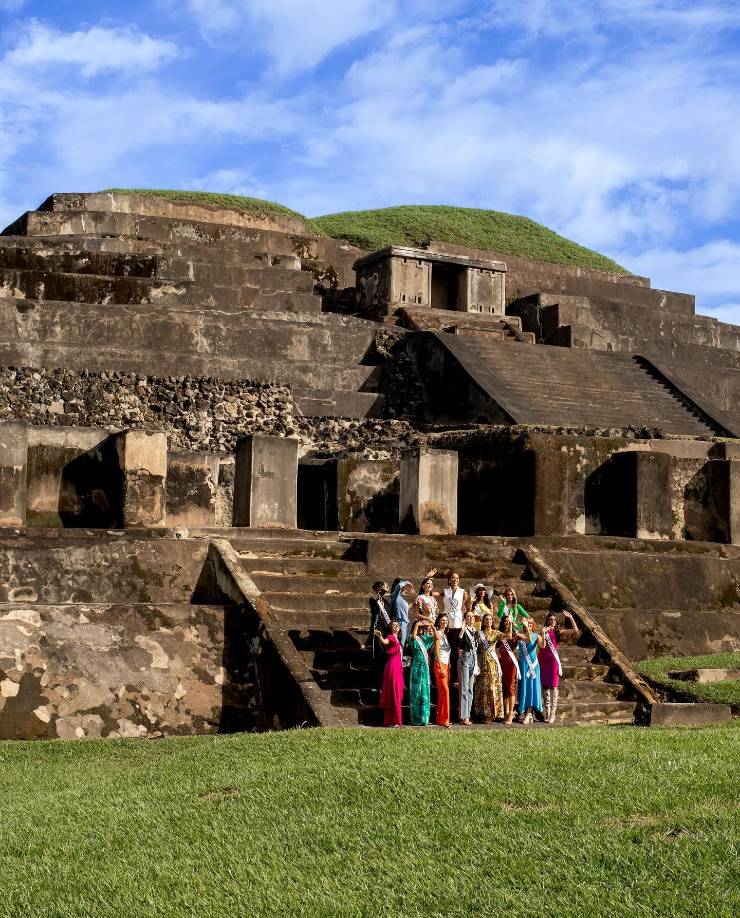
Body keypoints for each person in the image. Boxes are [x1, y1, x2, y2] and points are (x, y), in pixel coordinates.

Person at [540, 609, 580, 724]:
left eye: (554, 619)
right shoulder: (543, 631)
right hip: (543, 661)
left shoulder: (558, 632)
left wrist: (571, 618)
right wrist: (543, 632)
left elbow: (575, 631)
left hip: (553, 663)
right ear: (547, 620)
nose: (552, 621)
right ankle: (547, 712)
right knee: (545, 687)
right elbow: (541, 645)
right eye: (550, 619)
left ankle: (553, 713)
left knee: (554, 687)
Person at [473, 611, 506, 723]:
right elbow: (474, 648)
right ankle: (485, 714)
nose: (488, 621)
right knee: (483, 689)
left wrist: (510, 624)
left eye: (490, 619)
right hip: (482, 663)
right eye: (486, 619)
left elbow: (508, 636)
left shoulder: (496, 633)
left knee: (492, 688)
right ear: (483, 621)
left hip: (492, 663)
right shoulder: (478, 634)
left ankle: (495, 713)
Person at [374, 620, 405, 727]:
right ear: (390, 628)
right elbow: (385, 641)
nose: (396, 626)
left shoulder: (397, 639)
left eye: (397, 625)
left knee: (395, 693)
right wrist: (380, 637)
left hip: (397, 667)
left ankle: (391, 720)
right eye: (394, 625)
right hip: (392, 667)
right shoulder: (391, 637)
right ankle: (395, 720)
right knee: (394, 693)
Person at [517, 618, 543, 725]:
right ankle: (523, 711)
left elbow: (541, 645)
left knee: (532, 688)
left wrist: (543, 633)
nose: (529, 625)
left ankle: (528, 714)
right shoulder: (519, 635)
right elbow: (521, 644)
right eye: (528, 623)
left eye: (531, 623)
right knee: (524, 687)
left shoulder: (537, 636)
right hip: (523, 664)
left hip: (533, 665)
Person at [408, 619, 435, 726]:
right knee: (416, 692)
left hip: (424, 667)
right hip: (416, 666)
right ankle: (416, 718)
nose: (421, 629)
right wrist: (417, 624)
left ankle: (424, 718)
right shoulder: (411, 637)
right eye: (419, 628)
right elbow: (413, 637)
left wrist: (431, 625)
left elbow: (436, 637)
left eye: (422, 628)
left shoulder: (425, 638)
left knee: (425, 691)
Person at [497, 611, 520, 725]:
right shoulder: (499, 634)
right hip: (501, 662)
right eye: (505, 621)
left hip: (511, 663)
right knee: (504, 687)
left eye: (508, 621)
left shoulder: (515, 634)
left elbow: (510, 637)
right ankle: (505, 712)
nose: (506, 623)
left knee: (510, 687)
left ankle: (511, 713)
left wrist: (512, 624)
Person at [367, 580, 391, 690]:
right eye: (379, 588)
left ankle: (384, 681)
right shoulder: (373, 600)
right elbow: (376, 602)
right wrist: (382, 592)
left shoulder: (386, 602)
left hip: (386, 630)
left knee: (385, 655)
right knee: (377, 653)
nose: (381, 589)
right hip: (377, 629)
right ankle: (377, 682)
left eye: (383, 587)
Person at [458, 610, 479, 725]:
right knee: (465, 687)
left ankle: (467, 715)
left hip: (473, 659)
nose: (471, 618)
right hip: (466, 658)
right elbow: (459, 644)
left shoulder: (475, 631)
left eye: (472, 617)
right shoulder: (464, 630)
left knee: (470, 688)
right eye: (468, 617)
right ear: (465, 619)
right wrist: (462, 631)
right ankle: (463, 717)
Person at [432, 613, 452, 728]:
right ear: (439, 622)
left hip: (446, 665)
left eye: (446, 620)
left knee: (442, 692)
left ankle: (440, 719)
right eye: (442, 620)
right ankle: (445, 720)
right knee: (445, 691)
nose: (445, 622)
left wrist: (448, 665)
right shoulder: (438, 633)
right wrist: (440, 666)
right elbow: (436, 651)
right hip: (440, 665)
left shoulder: (445, 634)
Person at [390, 579, 413, 648]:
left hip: (404, 624)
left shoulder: (400, 598)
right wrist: (407, 582)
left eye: (404, 587)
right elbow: (399, 586)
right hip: (400, 623)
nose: (403, 588)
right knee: (401, 645)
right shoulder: (395, 595)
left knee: (402, 645)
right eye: (403, 587)